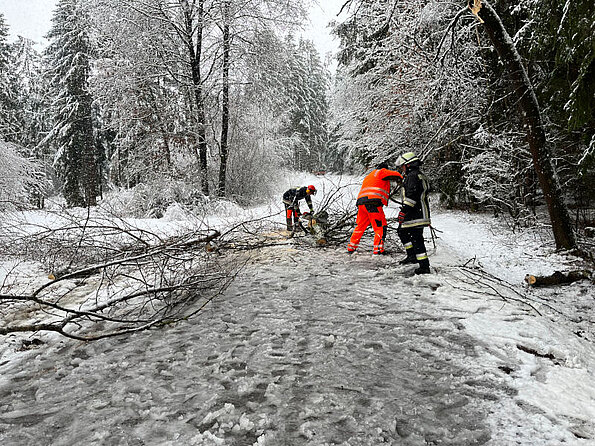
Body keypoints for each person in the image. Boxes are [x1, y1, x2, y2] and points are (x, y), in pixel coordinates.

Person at [348, 162, 403, 255]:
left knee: (360, 226)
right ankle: (378, 249)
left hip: (361, 203)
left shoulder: (370, 175)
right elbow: (394, 174)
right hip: (372, 203)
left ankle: (351, 247)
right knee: (380, 226)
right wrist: (400, 177)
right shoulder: (381, 172)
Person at [396, 151, 432, 274]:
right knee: (402, 231)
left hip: (415, 213)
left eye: (403, 166)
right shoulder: (418, 175)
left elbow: (411, 196)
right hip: (418, 212)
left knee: (416, 238)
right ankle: (412, 256)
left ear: (408, 165)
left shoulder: (412, 176)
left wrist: (403, 211)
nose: (402, 169)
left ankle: (424, 266)